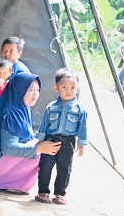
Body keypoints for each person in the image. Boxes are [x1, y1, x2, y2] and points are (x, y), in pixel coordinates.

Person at [0, 72, 61, 194]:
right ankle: (6, 184)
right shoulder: (12, 113)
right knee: (37, 153)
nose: (35, 94)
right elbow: (8, 148)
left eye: (37, 90)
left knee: (35, 145)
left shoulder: (13, 105)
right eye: (30, 90)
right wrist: (38, 148)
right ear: (19, 90)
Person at [35, 68, 88, 206]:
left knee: (64, 168)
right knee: (46, 165)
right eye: (64, 87)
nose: (68, 90)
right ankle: (43, 192)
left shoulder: (79, 109)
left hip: (68, 142)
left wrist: (81, 144)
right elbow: (44, 125)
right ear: (56, 87)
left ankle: (59, 193)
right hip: (50, 139)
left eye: (72, 87)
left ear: (77, 88)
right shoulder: (51, 107)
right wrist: (40, 141)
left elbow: (83, 128)